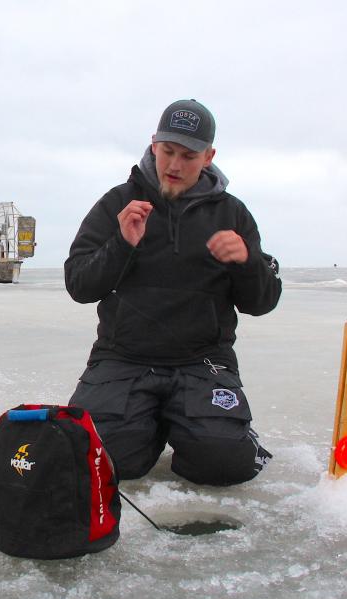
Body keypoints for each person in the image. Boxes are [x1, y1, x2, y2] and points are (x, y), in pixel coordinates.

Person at [65, 99, 281, 486]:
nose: (175, 165)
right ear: (153, 145)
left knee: (224, 464)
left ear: (209, 156)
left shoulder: (232, 214)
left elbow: (260, 303)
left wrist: (247, 262)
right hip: (123, 359)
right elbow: (79, 285)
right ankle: (146, 428)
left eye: (188, 155)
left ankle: (210, 431)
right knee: (95, 462)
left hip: (202, 362)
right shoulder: (119, 203)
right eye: (167, 151)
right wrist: (122, 244)